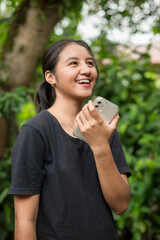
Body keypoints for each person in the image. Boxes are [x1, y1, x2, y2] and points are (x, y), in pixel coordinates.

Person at [9, 39, 131, 240]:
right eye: (74, 63)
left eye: (90, 63)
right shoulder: (36, 131)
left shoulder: (104, 127)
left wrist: (100, 145)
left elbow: (121, 205)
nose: (86, 69)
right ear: (51, 77)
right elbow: (25, 220)